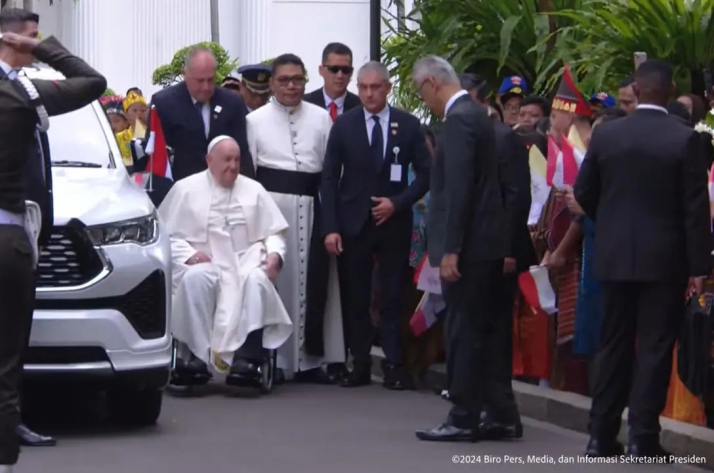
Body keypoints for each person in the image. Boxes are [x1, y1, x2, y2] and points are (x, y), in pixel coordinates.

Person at [575, 59, 711, 457]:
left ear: (635, 89)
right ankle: (642, 436)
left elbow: (584, 192)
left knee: (612, 342)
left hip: (614, 256)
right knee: (653, 346)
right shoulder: (683, 138)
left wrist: (614, 223)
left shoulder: (608, 136)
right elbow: (694, 209)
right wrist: (699, 266)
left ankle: (600, 435)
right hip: (664, 260)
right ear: (669, 92)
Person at [0, 29, 106, 473]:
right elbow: (92, 82)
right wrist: (42, 48)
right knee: (5, 364)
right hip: (7, 240)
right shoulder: (19, 94)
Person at [411, 56, 516, 442]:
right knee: (485, 332)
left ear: (433, 84)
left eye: (423, 93)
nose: (426, 103)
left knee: (465, 332)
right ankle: (502, 414)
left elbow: (458, 189)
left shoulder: (457, 122)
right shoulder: (478, 116)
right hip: (485, 243)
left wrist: (450, 249)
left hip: (468, 247)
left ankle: (464, 415)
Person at [321, 61, 430, 389]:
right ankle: (360, 363)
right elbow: (329, 177)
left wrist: (397, 203)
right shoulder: (344, 126)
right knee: (356, 295)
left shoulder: (408, 126)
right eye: (364, 88)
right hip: (354, 223)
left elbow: (426, 174)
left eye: (376, 87)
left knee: (393, 295)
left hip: (394, 223)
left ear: (388, 87)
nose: (369, 94)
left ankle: (394, 364)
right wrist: (331, 227)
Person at [159, 135, 293, 384]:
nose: (233, 166)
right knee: (196, 279)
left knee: (256, 280)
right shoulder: (185, 189)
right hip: (205, 262)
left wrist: (275, 255)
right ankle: (196, 357)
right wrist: (189, 255)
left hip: (246, 261)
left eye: (236, 160)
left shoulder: (254, 190)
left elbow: (273, 233)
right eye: (227, 160)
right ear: (209, 161)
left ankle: (247, 359)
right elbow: (166, 236)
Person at [247, 53, 344, 384]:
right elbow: (250, 177)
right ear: (272, 83)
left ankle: (311, 361)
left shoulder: (321, 118)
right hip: (273, 208)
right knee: (279, 283)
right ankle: (280, 359)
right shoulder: (255, 121)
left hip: (312, 206)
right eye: (285, 80)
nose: (292, 86)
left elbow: (330, 173)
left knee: (314, 284)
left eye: (298, 79)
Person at [459, 71, 531, 436]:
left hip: (498, 254)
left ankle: (502, 412)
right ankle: (487, 406)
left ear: (479, 99)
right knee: (478, 331)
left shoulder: (501, 139)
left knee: (494, 332)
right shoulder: (471, 137)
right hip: (474, 253)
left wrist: (507, 250)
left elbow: (515, 200)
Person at [147, 47, 254, 181]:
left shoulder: (232, 103)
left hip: (224, 188)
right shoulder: (164, 104)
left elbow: (243, 152)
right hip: (181, 189)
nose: (206, 87)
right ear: (185, 74)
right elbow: (155, 155)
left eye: (210, 80)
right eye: (200, 81)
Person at [304, 42, 360, 120]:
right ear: (321, 70)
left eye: (345, 70)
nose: (340, 75)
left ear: (351, 72)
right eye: (334, 69)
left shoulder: (361, 107)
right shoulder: (305, 104)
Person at [115, 91, 148, 166]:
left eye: (143, 110)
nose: (139, 113)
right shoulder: (119, 138)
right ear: (126, 114)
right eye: (134, 110)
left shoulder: (153, 135)